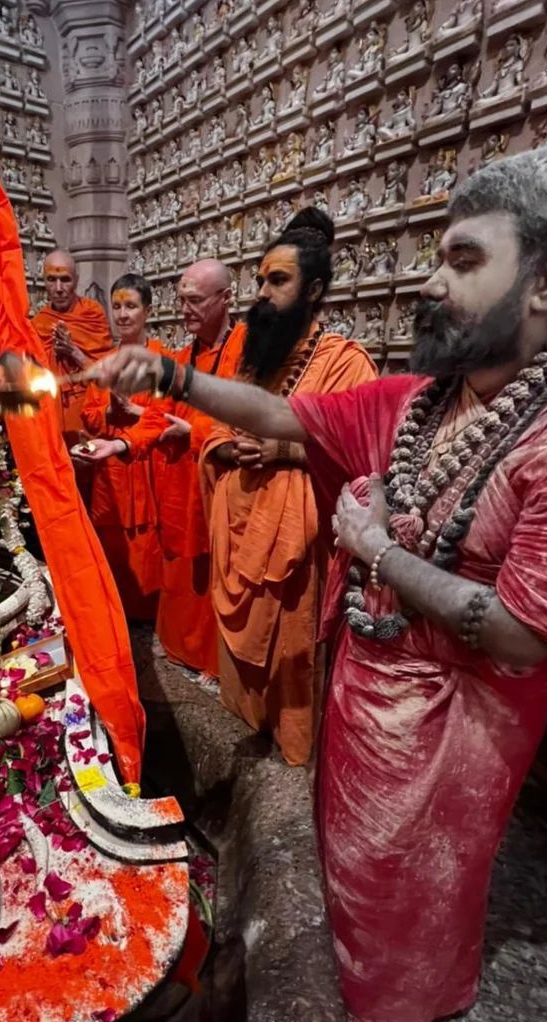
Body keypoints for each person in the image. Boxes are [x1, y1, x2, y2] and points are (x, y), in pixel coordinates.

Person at [85, 142, 547, 1022]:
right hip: (365, 687)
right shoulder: (421, 401)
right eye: (436, 255)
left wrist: (378, 552)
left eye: (464, 260)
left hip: (460, 733)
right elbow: (285, 417)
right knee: (347, 857)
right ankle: (333, 984)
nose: (431, 282)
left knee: (421, 886)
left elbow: (519, 637)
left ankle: (399, 1010)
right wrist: (168, 375)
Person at [199, 209, 377, 766]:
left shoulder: (347, 364)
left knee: (294, 648)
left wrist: (284, 450)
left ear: (314, 289)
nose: (263, 292)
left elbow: (364, 456)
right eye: (259, 281)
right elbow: (217, 429)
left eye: (278, 280)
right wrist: (230, 447)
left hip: (298, 542)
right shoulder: (256, 360)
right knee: (245, 659)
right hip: (242, 520)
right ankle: (250, 719)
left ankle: (297, 743)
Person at [129, 259, 246, 685]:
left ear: (225, 299)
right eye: (181, 300)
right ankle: (179, 649)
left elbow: (248, 421)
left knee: (218, 573)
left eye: (194, 300)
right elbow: (157, 416)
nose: (185, 309)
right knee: (179, 571)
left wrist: (193, 430)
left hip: (225, 484)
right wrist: (123, 441)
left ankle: (216, 664)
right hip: (181, 484)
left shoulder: (247, 351)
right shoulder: (181, 358)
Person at [71, 274, 165, 622]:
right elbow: (89, 414)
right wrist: (110, 411)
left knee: (149, 540)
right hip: (110, 471)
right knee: (111, 539)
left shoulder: (164, 360)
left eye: (131, 306)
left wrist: (137, 413)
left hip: (150, 466)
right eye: (118, 306)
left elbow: (170, 415)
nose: (123, 315)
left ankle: (151, 614)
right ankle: (117, 611)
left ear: (148, 311)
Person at [31, 249, 113, 449]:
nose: (59, 288)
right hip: (51, 413)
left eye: (65, 280)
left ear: (76, 280)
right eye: (52, 279)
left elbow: (106, 374)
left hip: (87, 410)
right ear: (44, 281)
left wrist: (73, 351)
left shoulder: (92, 315)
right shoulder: (39, 323)